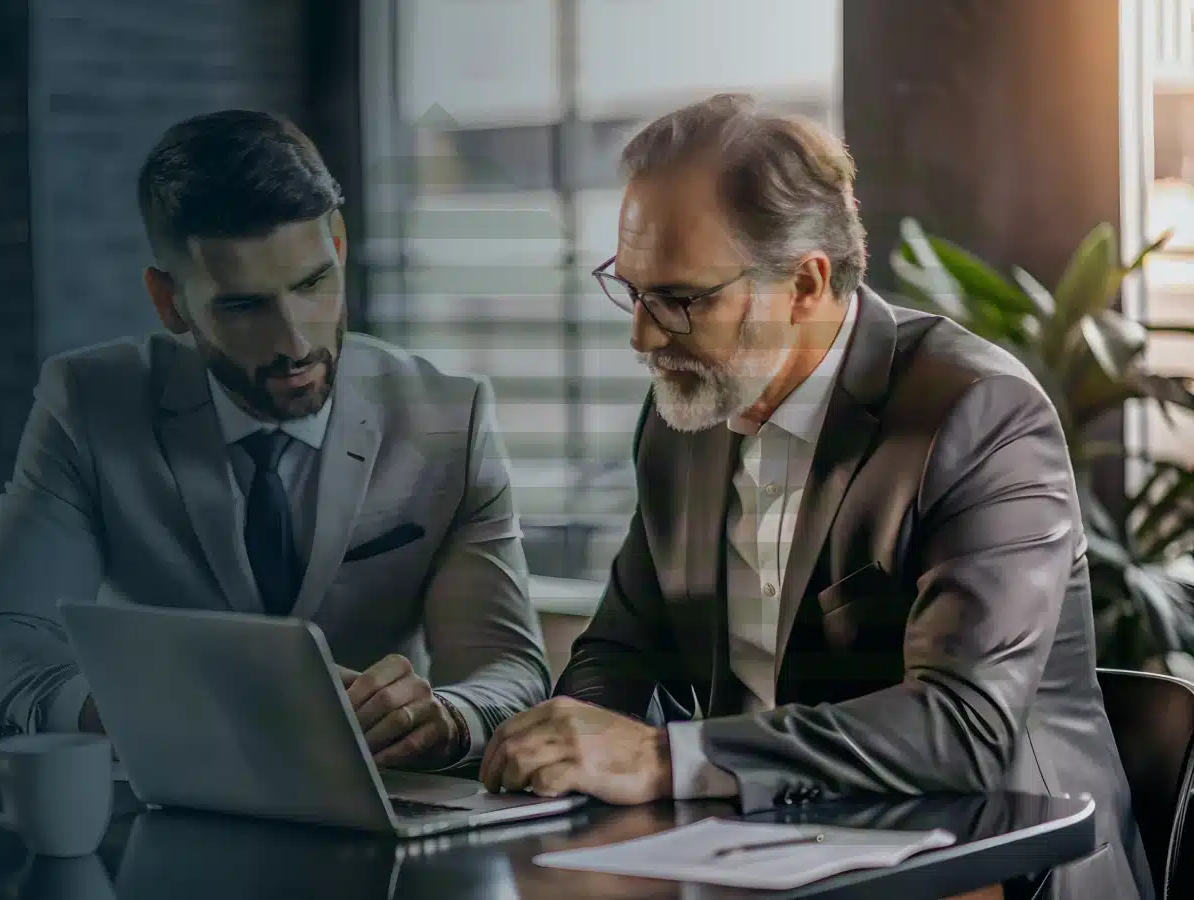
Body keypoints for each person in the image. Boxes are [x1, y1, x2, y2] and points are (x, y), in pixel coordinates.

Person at [477, 94, 1147, 900]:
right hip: (765, 859)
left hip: (988, 863)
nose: (644, 337)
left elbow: (963, 728)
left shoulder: (976, 413)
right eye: (633, 290)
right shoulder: (685, 417)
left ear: (805, 282)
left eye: (682, 301)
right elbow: (622, 649)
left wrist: (664, 759)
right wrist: (566, 752)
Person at [0, 110, 550, 771]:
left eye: (313, 283)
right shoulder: (89, 405)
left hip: (389, 812)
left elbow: (509, 669)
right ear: (169, 301)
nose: (295, 343)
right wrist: (119, 707)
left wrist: (449, 718)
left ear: (339, 247)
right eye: (243, 306)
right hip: (174, 815)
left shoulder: (448, 420)